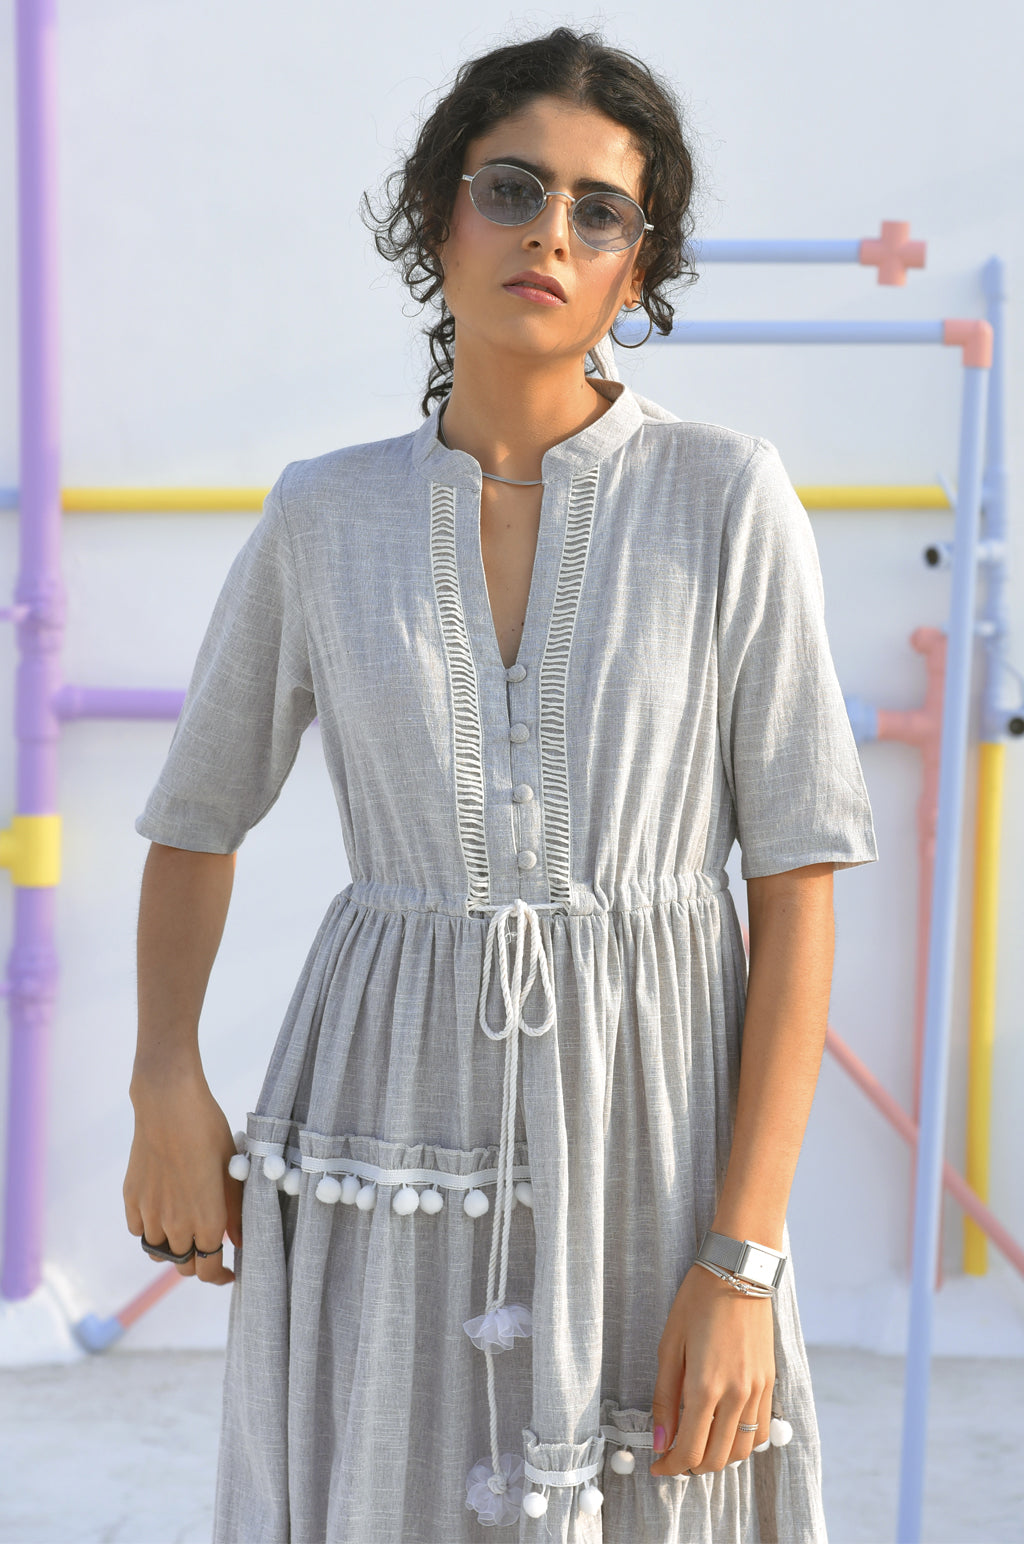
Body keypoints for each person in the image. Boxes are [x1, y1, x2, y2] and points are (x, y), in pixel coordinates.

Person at [123, 26, 877, 1544]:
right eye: (513, 188)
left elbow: (797, 883)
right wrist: (163, 1085)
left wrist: (744, 1257)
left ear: (637, 266)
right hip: (379, 1115)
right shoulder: (323, 516)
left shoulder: (728, 497)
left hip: (653, 1130)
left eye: (602, 210)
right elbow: (196, 820)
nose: (552, 233)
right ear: (439, 213)